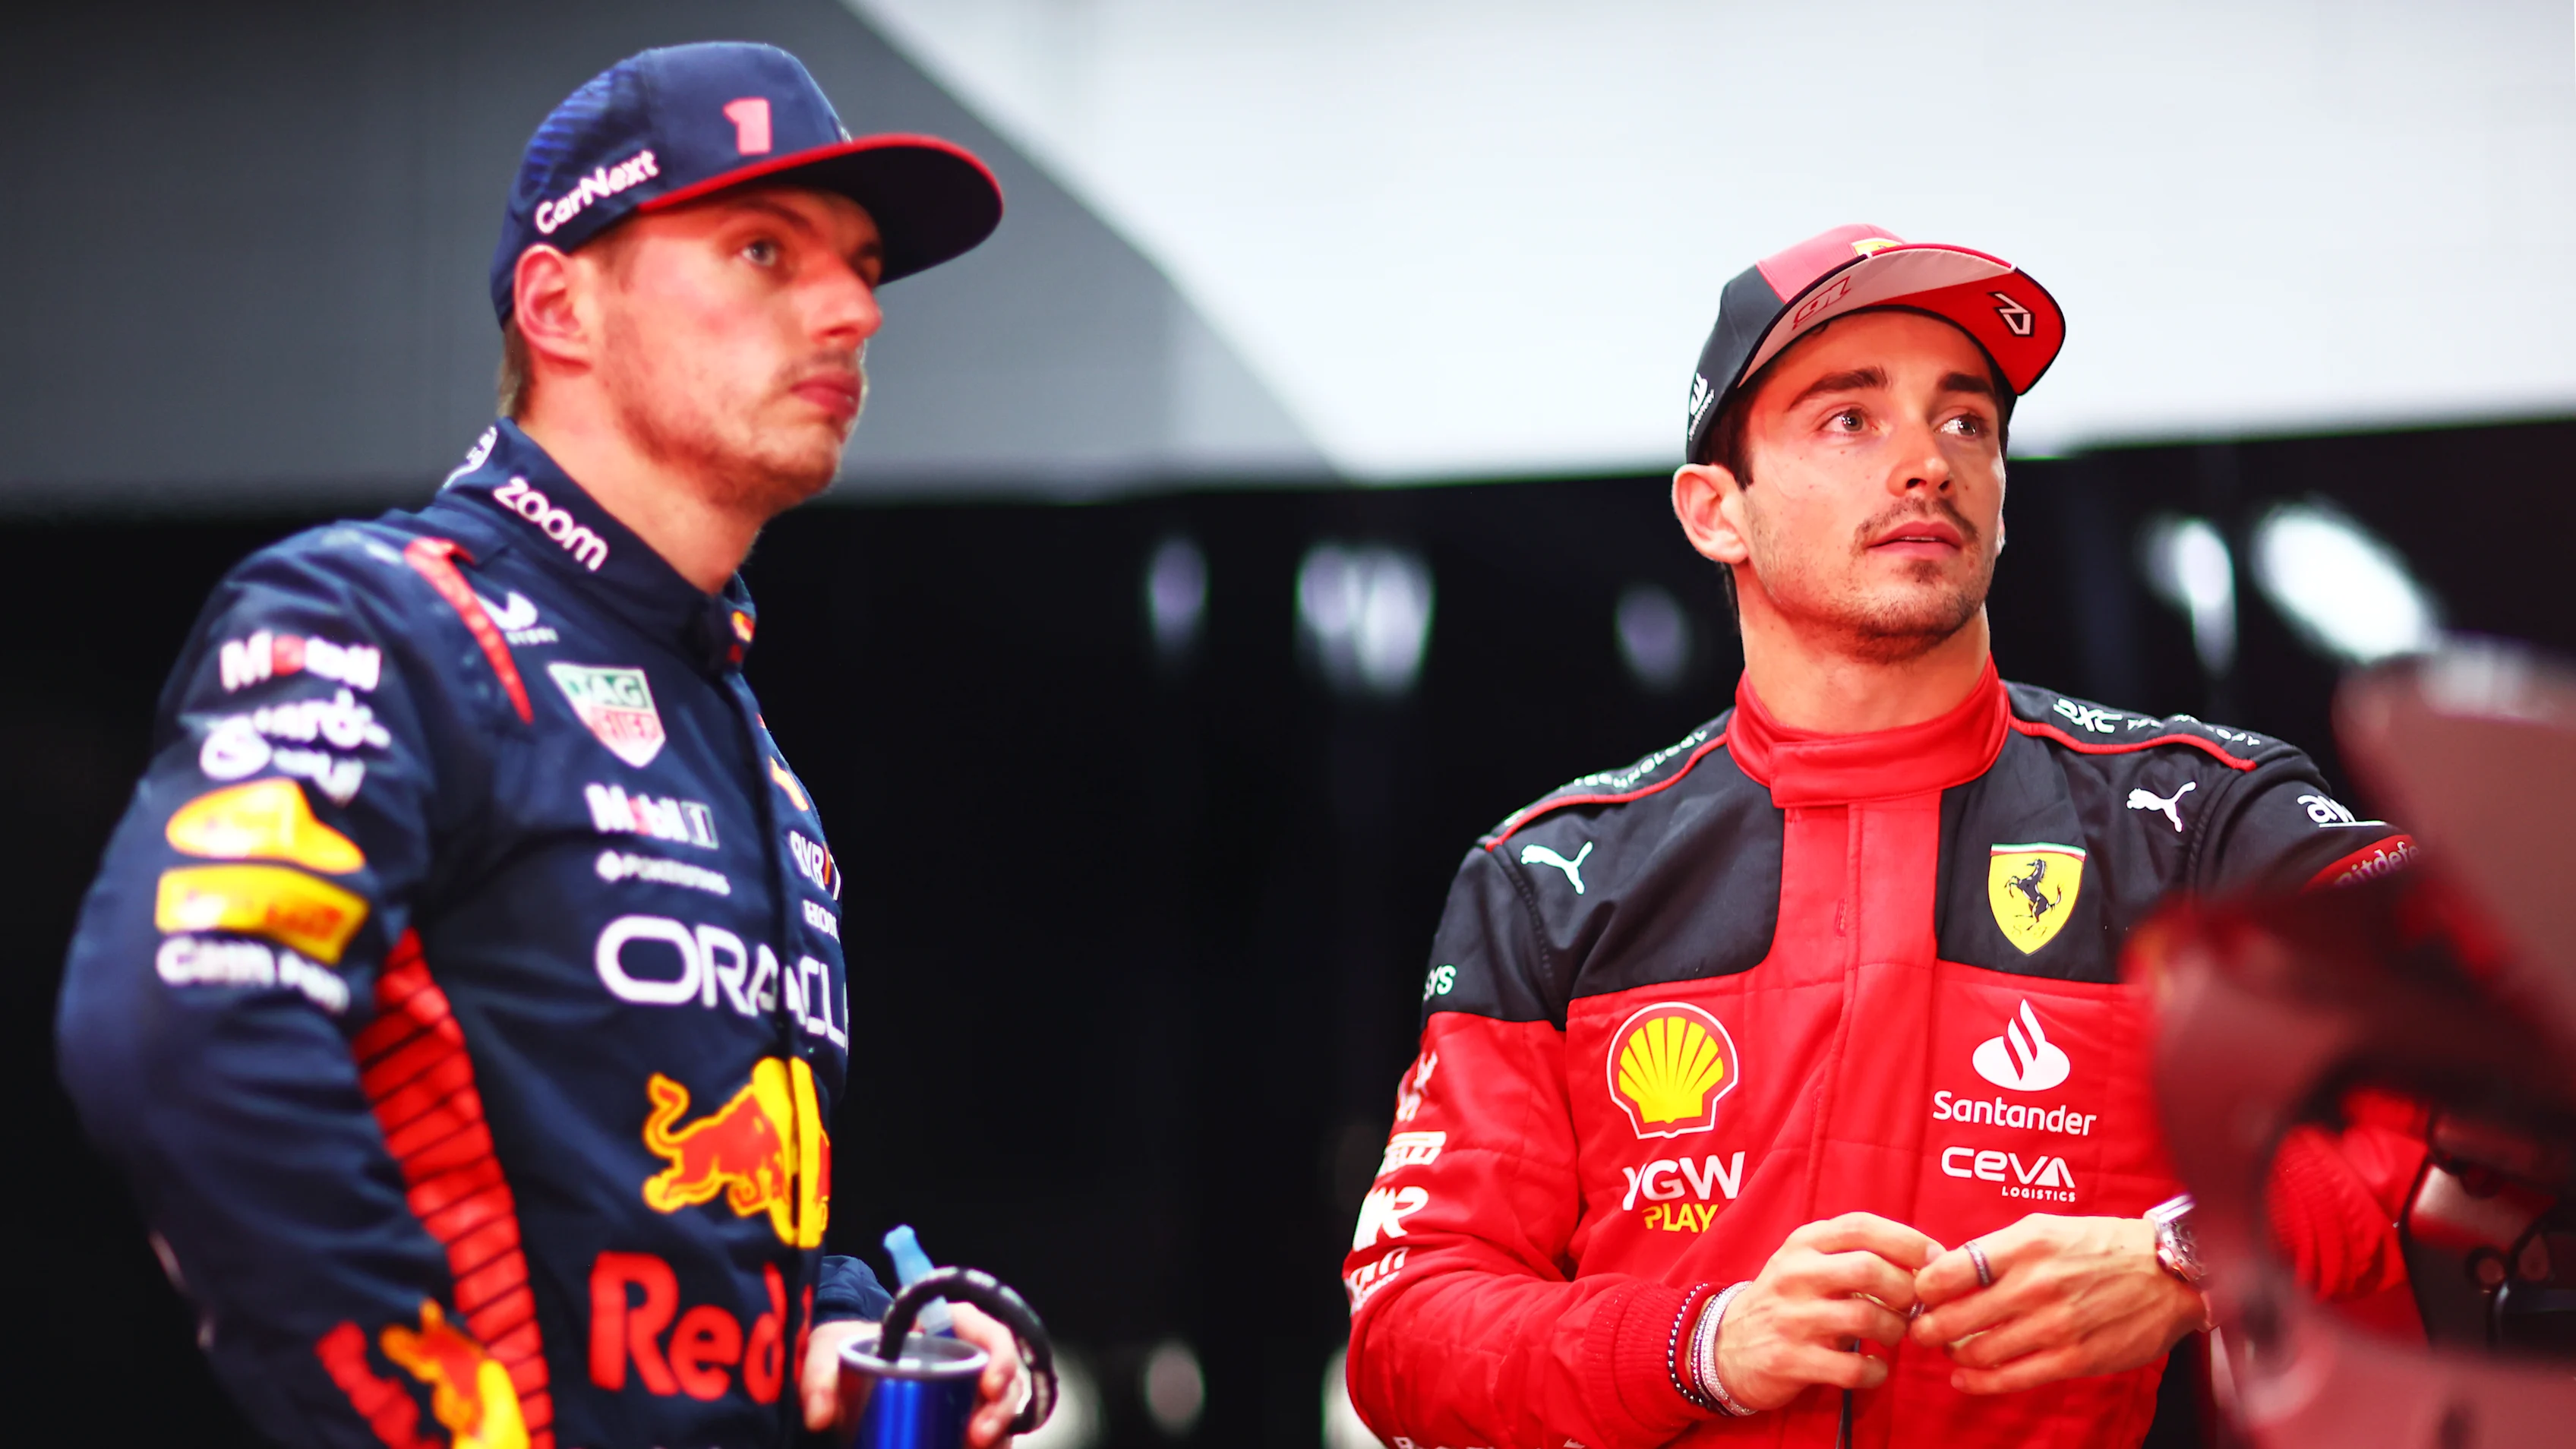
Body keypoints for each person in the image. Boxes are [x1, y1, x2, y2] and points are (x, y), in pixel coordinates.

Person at [56, 42, 1027, 1449]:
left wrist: (830, 1319)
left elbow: (656, 1210)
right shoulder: (381, 619)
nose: (850, 310)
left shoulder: (749, 749)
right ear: (558, 303)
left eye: (863, 266)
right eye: (765, 249)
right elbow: (187, 1026)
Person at [1340, 224, 2423, 1448]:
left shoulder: (2193, 818)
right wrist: (1704, 1344)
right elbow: (1409, 1331)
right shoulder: (1551, 879)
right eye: (1849, 420)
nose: (1926, 463)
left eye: (1965, 422)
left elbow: (2502, 1043)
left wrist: (2191, 1254)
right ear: (1717, 512)